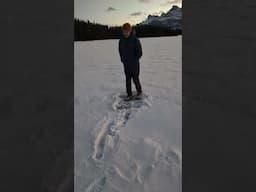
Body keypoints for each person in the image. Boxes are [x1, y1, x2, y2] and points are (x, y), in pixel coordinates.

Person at [118, 23, 143, 99]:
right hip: (126, 64)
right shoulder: (121, 40)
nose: (125, 33)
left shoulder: (135, 40)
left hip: (134, 65)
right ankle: (129, 94)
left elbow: (140, 53)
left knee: (135, 79)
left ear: (130, 31)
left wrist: (135, 60)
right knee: (127, 80)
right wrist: (122, 59)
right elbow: (120, 51)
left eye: (127, 31)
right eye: (124, 31)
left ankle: (139, 92)